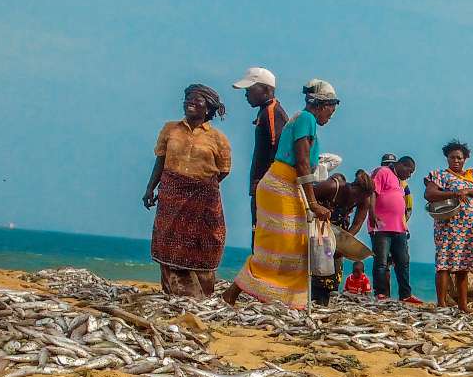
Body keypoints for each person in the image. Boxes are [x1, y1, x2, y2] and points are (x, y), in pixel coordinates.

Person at [223, 80, 339, 309]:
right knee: (281, 246)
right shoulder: (306, 119)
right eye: (330, 111)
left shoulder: (304, 120)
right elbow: (302, 162)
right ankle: (233, 292)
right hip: (280, 186)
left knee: (293, 245)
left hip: (288, 186)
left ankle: (284, 299)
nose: (330, 116)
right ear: (321, 105)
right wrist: (313, 203)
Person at [142, 83, 231, 298]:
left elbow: (223, 170)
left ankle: (201, 294)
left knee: (206, 241)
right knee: (168, 240)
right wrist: (150, 188)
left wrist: (200, 186)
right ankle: (173, 293)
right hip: (171, 194)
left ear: (208, 108)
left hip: (204, 198)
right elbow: (160, 160)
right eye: (188, 98)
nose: (190, 102)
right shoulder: (170, 129)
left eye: (197, 99)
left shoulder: (218, 138)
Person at [424, 141, 473, 313]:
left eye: (459, 158)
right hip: (448, 227)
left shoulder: (471, 176)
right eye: (452, 157)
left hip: (468, 230)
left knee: (463, 266)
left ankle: (463, 305)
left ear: (465, 159)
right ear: (447, 158)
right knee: (444, 264)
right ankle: (441, 303)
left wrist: (467, 191)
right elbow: (429, 194)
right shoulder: (439, 175)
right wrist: (454, 193)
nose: (456, 161)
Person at [232, 67, 287, 242]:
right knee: (259, 234)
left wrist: (265, 183)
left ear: (266, 89)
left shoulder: (271, 112)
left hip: (267, 187)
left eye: (249, 90)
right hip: (263, 186)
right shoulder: (265, 111)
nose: (246, 94)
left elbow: (277, 150)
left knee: (262, 235)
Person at [308, 163, 372, 306]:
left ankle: (324, 304)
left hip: (338, 233)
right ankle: (310, 300)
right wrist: (319, 210)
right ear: (353, 188)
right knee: (315, 267)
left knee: (333, 272)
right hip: (318, 229)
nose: (356, 201)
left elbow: (357, 224)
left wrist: (342, 244)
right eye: (356, 196)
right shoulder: (333, 187)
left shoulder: (364, 199)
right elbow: (307, 197)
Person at [370, 156, 418, 302]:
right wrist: (372, 213)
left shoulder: (399, 181)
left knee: (403, 261)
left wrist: (405, 225)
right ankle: (381, 293)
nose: (409, 175)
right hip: (381, 227)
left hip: (399, 227)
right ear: (401, 165)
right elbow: (373, 192)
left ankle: (405, 294)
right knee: (381, 262)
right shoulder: (382, 172)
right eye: (409, 171)